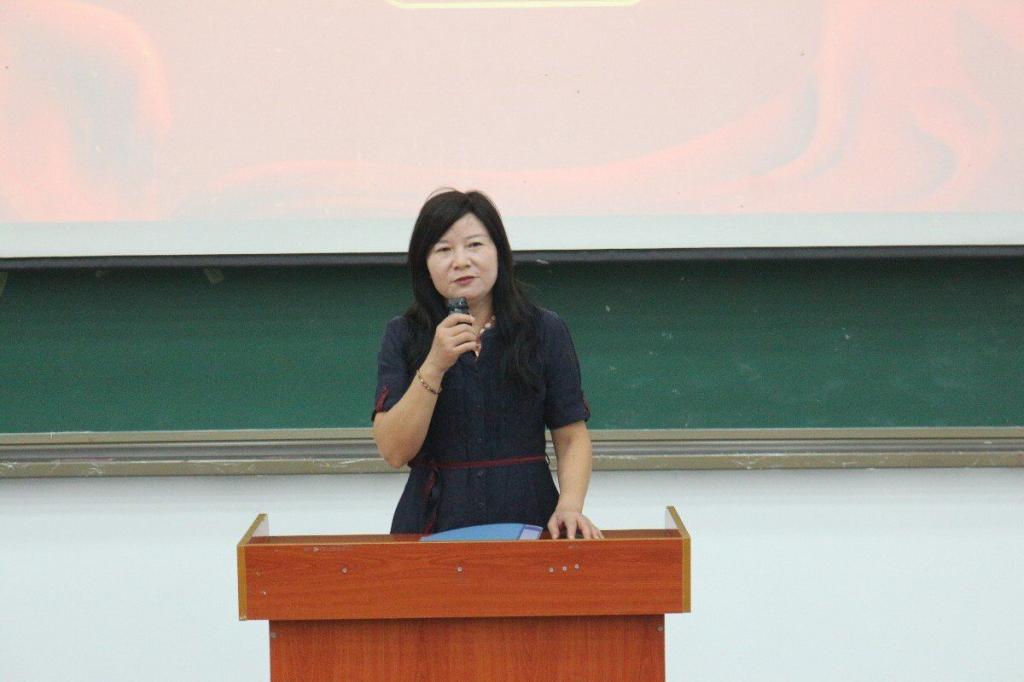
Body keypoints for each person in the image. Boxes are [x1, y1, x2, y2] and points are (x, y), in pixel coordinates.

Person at [372, 189, 602, 540]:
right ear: (424, 265)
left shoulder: (543, 330)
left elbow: (571, 437)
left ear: (499, 252)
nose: (461, 261)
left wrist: (570, 505)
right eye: (443, 250)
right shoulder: (405, 335)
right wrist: (434, 365)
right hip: (433, 525)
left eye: (475, 245)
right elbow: (394, 451)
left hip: (528, 520)